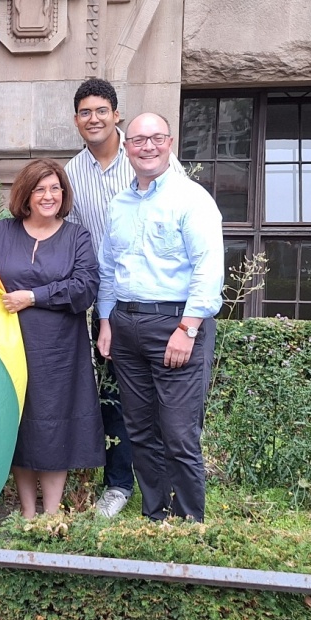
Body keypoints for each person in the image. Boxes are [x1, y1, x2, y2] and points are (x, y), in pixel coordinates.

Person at [96, 113, 224, 523]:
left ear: (170, 143)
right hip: (126, 327)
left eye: (156, 138)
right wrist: (105, 322)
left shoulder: (192, 199)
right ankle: (156, 517)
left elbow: (208, 269)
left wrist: (188, 329)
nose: (147, 146)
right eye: (137, 140)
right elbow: (107, 269)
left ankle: (190, 525)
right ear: (126, 147)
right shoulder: (120, 205)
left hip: (176, 325)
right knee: (141, 432)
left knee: (179, 434)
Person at [0, 159, 103, 518]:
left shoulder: (76, 236)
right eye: (40, 189)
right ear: (26, 194)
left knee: (54, 424)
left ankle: (51, 516)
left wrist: (33, 297)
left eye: (55, 188)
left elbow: (85, 288)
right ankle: (27, 514)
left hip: (60, 352)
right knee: (20, 425)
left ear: (63, 194)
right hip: (10, 347)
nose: (48, 196)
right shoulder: (1, 233)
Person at [63, 77, 137, 518]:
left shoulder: (146, 155)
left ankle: (165, 481)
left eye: (101, 111)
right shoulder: (71, 174)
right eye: (86, 113)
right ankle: (118, 485)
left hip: (159, 299)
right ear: (77, 121)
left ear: (116, 115)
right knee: (114, 396)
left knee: (164, 396)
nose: (94, 119)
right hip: (108, 304)